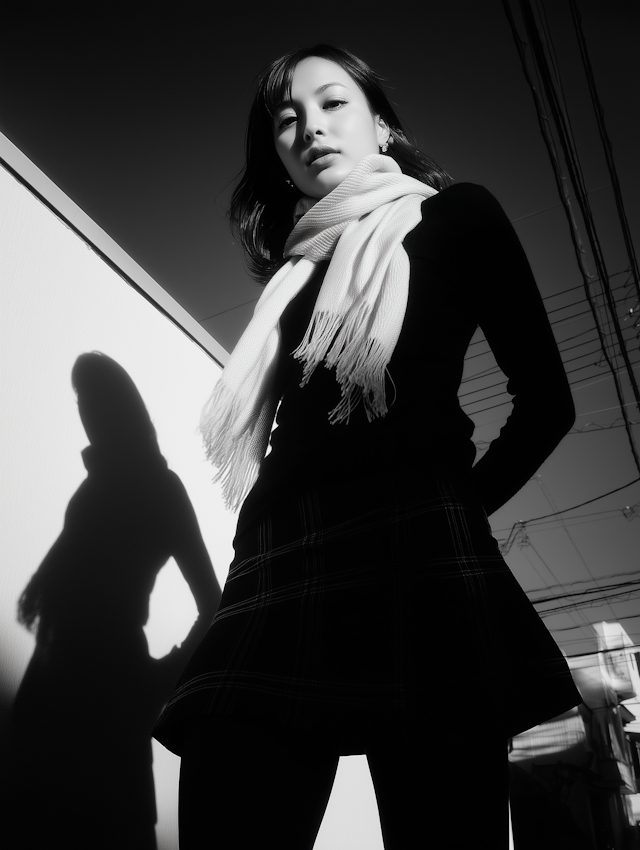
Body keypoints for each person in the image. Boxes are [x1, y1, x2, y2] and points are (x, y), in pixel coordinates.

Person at [153, 44, 582, 849]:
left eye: (333, 103)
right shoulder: (296, 269)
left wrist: (456, 509)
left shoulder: (458, 215)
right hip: (276, 559)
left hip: (417, 554)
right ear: (278, 155)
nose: (309, 127)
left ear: (382, 126)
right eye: (287, 119)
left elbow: (546, 404)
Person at [9, 352, 221, 849]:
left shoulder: (159, 488)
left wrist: (157, 680)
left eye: (94, 398)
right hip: (57, 684)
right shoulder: (97, 487)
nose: (85, 411)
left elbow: (213, 602)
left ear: (118, 406)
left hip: (104, 688)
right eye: (80, 400)